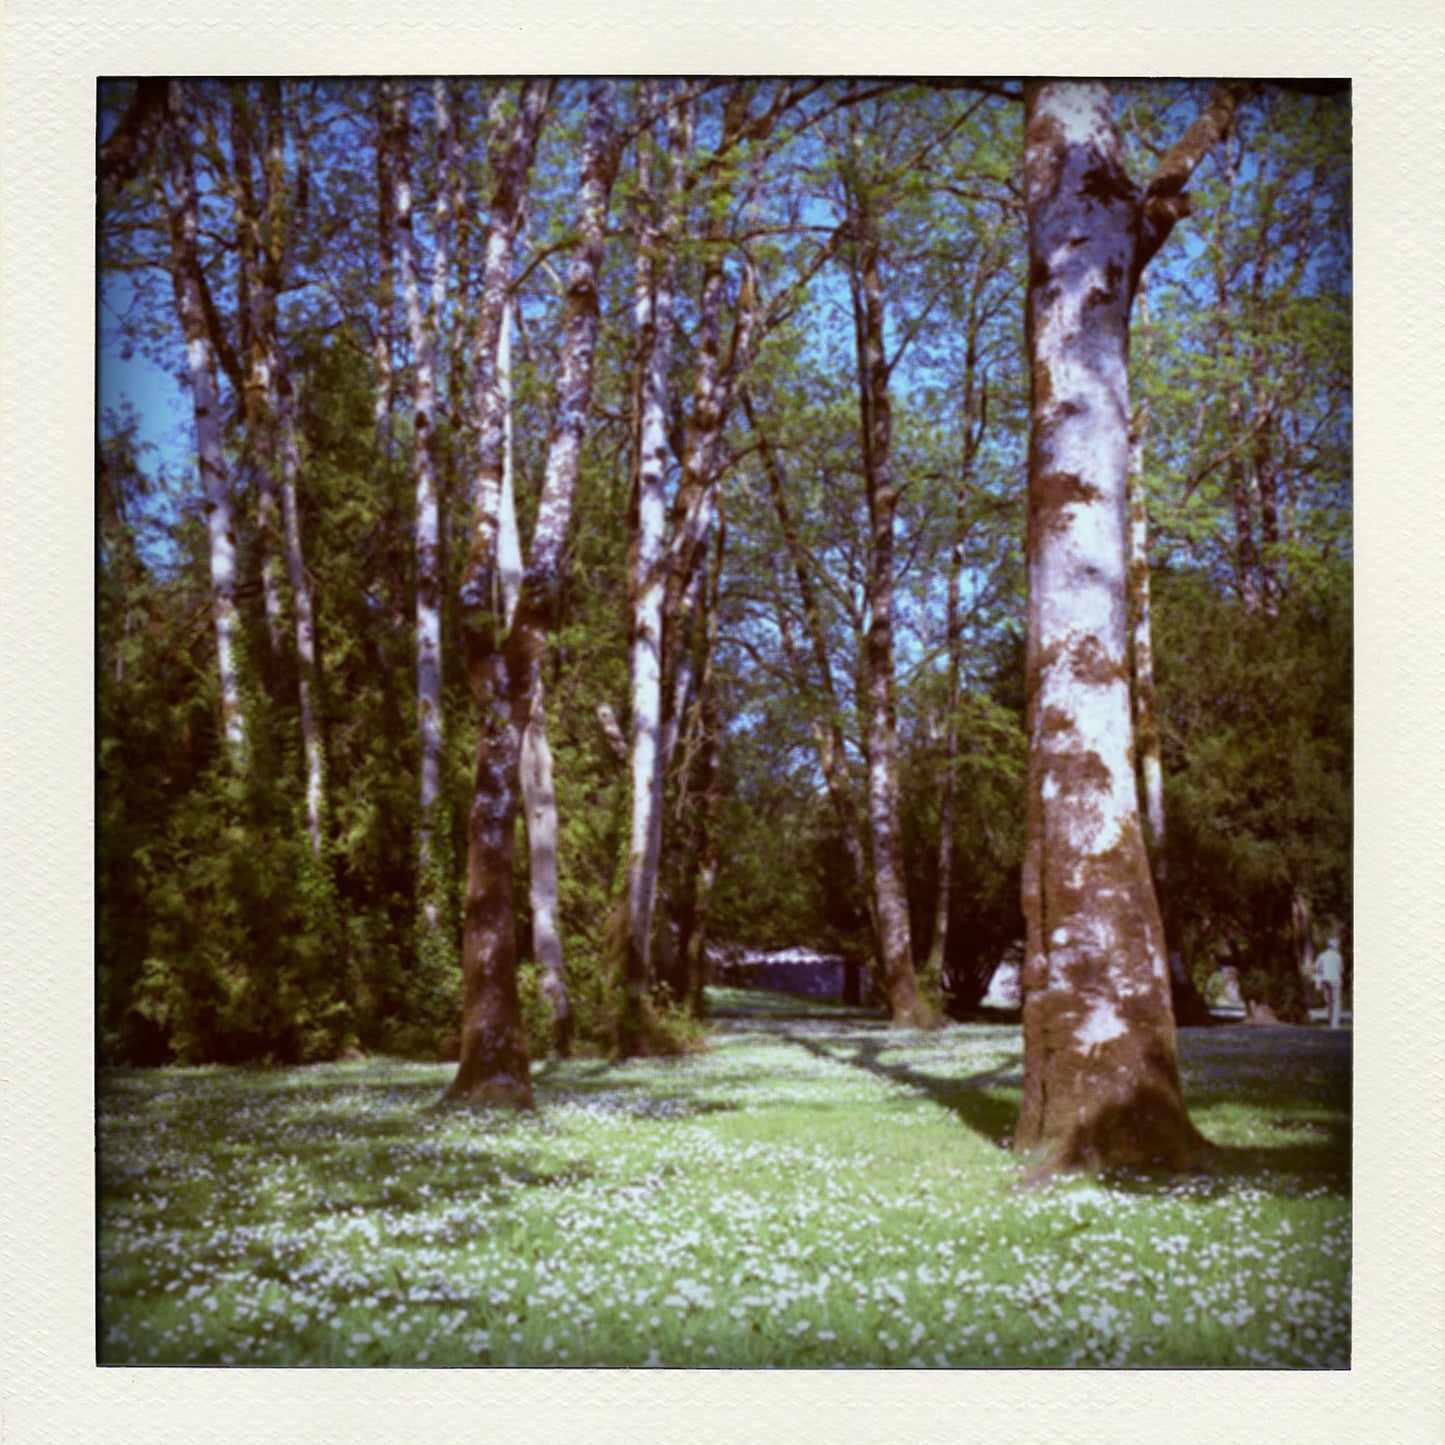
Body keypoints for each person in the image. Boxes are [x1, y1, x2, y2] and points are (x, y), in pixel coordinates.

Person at [1315, 936, 1344, 1028]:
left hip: (1325, 979)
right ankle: (1334, 1024)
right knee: (1336, 1001)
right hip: (1335, 979)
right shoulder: (1337, 956)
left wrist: (1319, 979)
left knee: (1328, 1001)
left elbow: (1316, 968)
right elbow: (1341, 969)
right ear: (1335, 946)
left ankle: (1329, 1020)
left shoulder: (1322, 955)